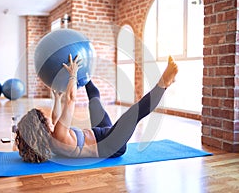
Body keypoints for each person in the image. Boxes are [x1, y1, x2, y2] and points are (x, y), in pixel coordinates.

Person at [15, 54, 178, 163]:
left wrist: (57, 98)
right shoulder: (58, 135)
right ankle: (163, 84)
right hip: (111, 145)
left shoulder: (52, 139)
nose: (47, 121)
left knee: (94, 102)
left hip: (101, 132)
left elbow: (56, 118)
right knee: (134, 113)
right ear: (40, 127)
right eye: (43, 120)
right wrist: (73, 74)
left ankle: (87, 77)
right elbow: (71, 99)